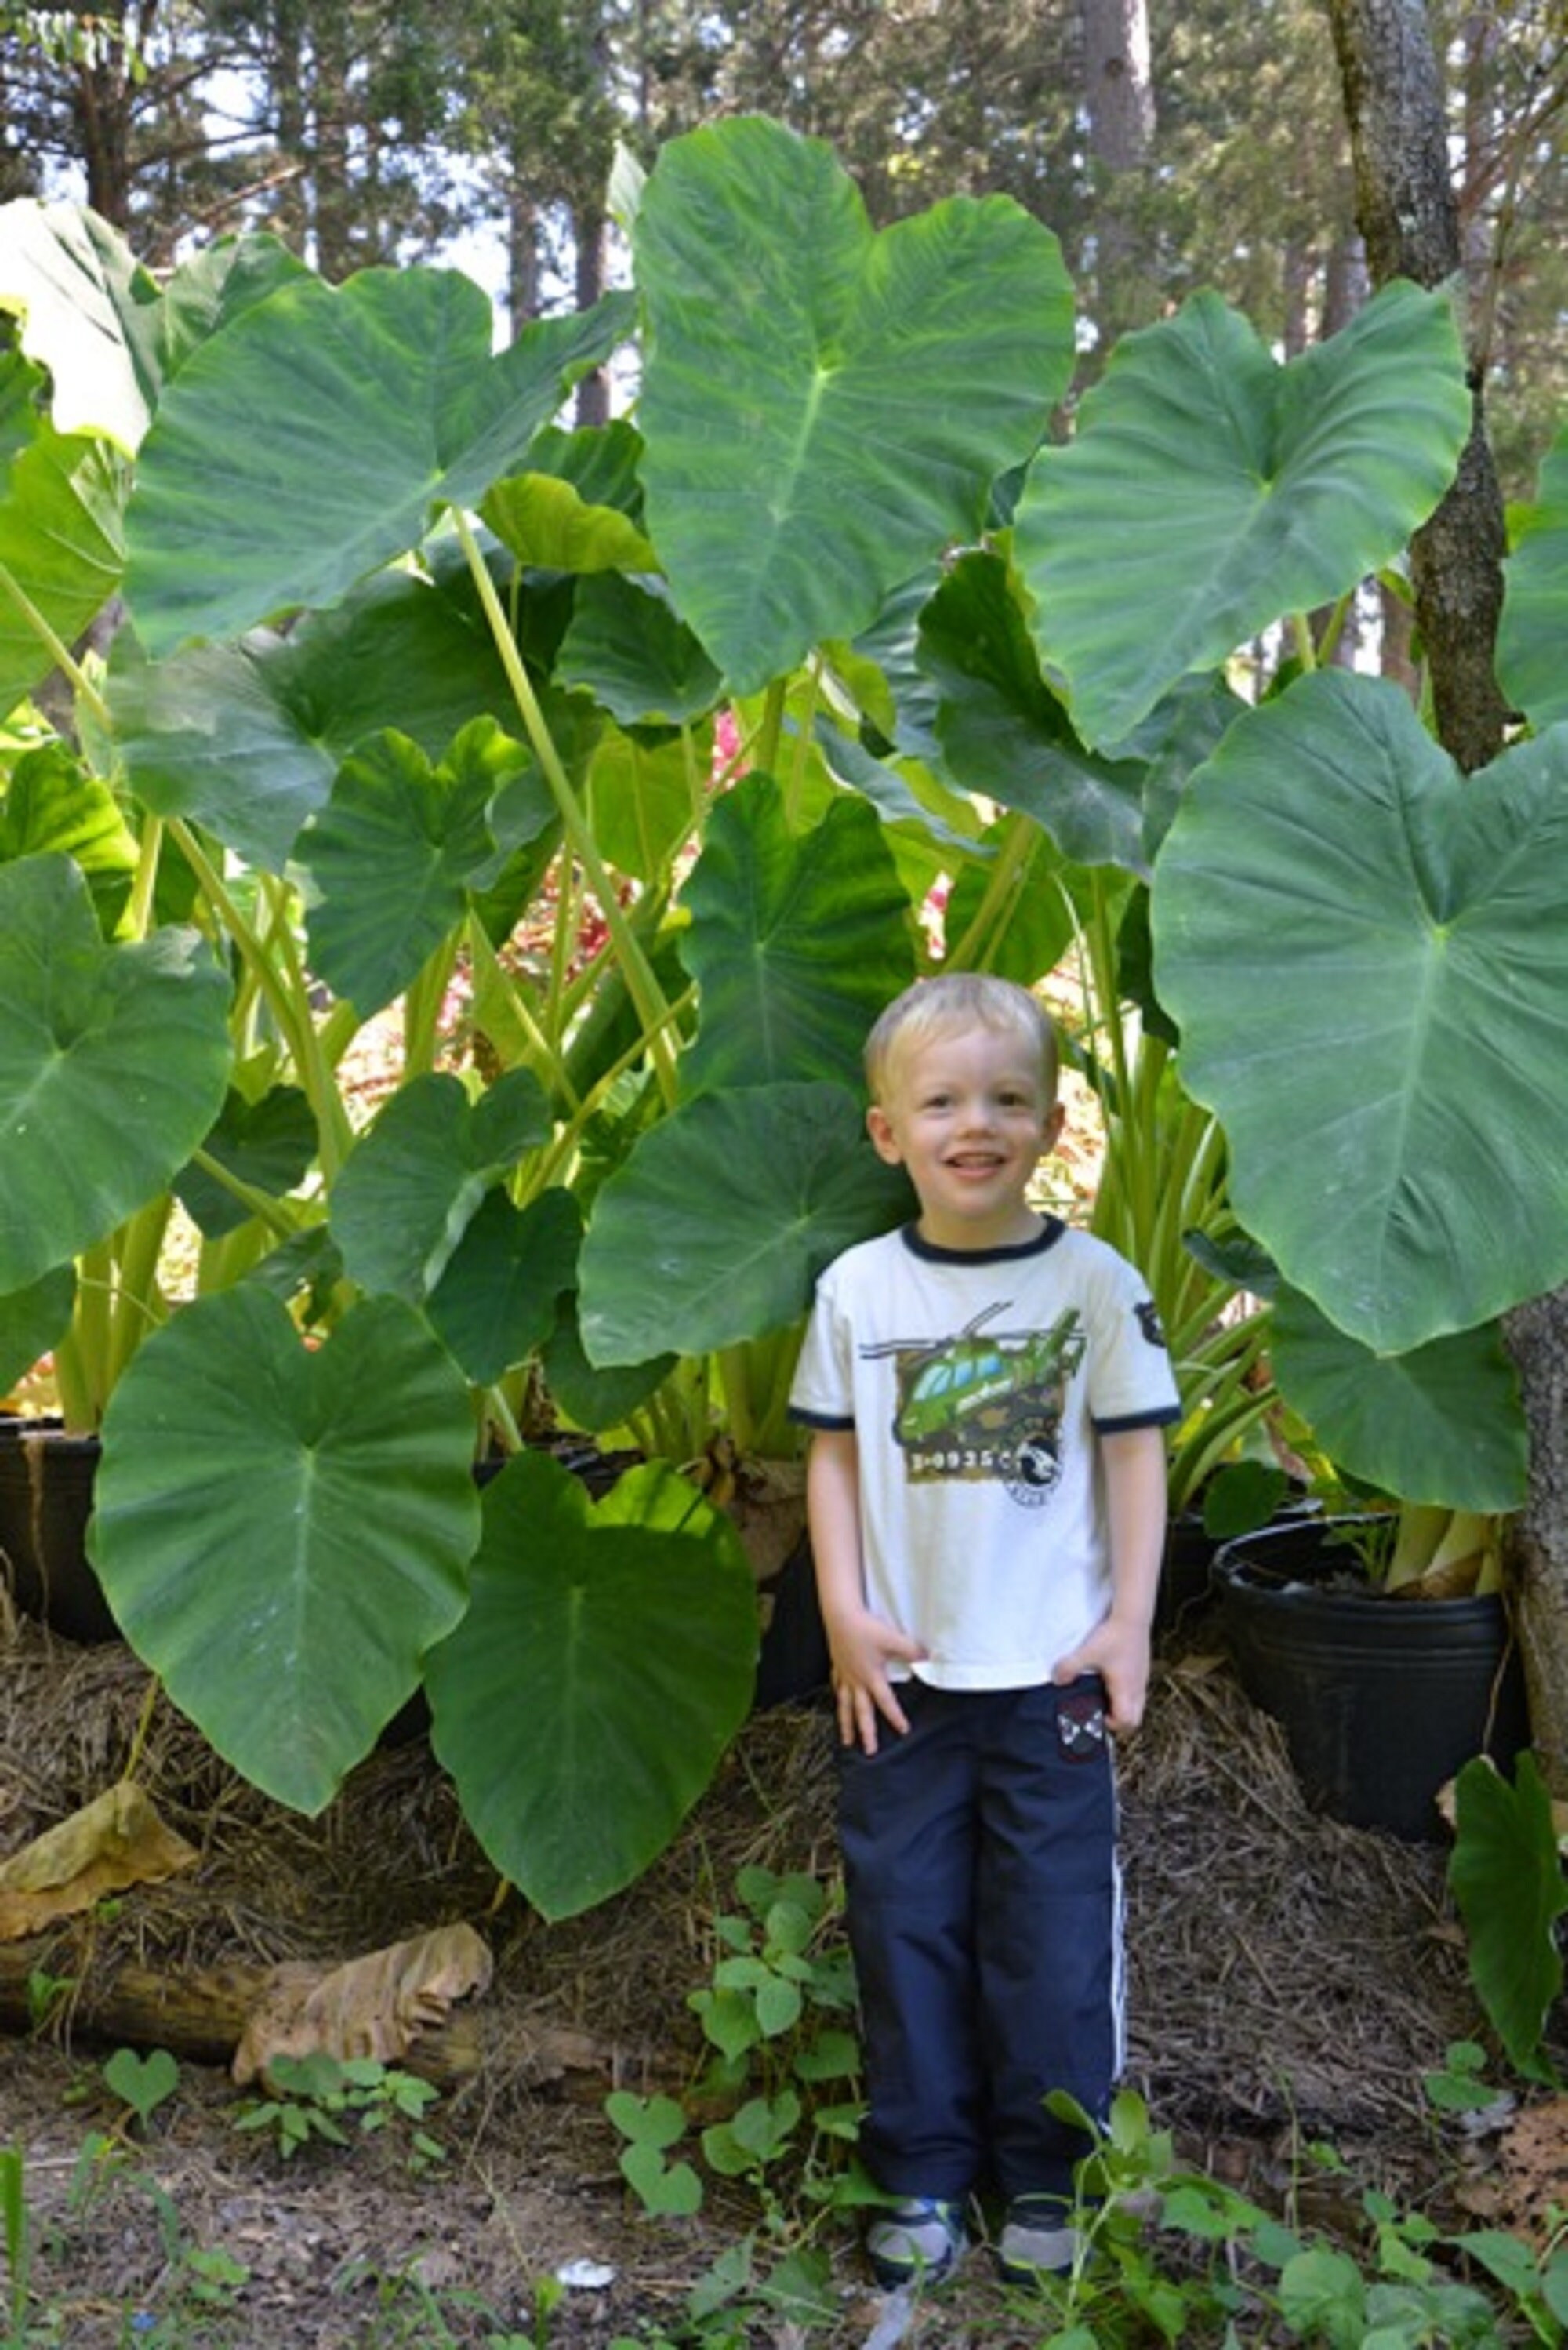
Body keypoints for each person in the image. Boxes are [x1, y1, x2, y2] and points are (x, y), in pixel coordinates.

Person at [789, 972, 1179, 2291]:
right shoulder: (857, 1290)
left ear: (1054, 1120)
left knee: (1052, 1936)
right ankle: (920, 2169)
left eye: (1009, 1098)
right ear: (886, 1131)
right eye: (943, 1100)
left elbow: (1135, 1459)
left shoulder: (1092, 1284)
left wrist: (1129, 1622)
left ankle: (1052, 2178)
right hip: (900, 1677)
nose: (978, 1124)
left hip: (1049, 1677)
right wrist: (843, 1613)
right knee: (904, 1924)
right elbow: (833, 1463)